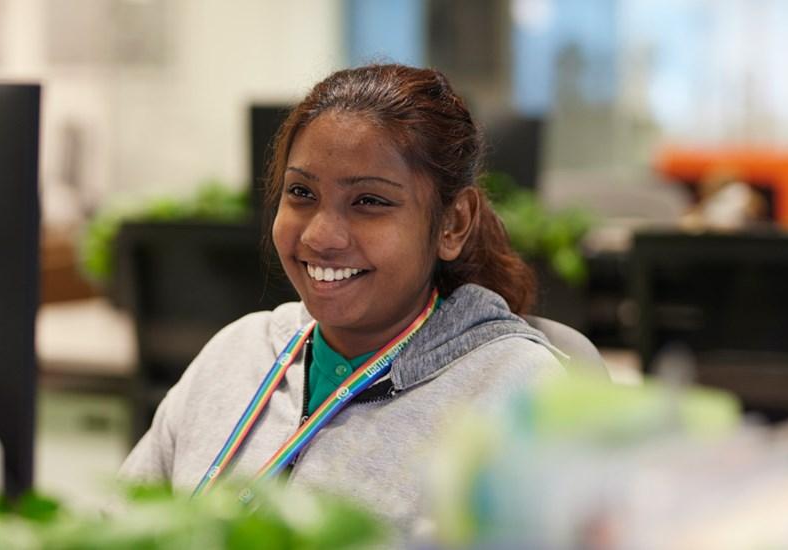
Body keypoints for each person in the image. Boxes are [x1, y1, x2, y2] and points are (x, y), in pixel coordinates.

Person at [120, 64, 571, 532]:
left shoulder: (519, 396)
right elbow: (118, 529)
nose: (321, 235)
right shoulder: (237, 353)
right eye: (301, 193)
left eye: (369, 201)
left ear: (453, 223)